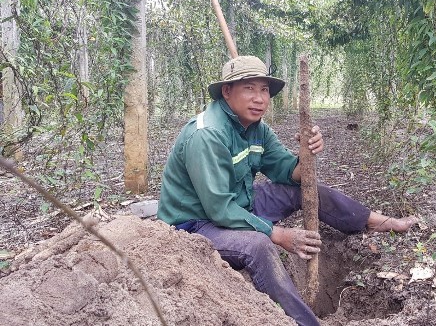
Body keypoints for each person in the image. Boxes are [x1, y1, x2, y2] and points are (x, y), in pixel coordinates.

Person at [157, 55, 418, 326]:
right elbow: (219, 209)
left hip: (239, 204)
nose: (259, 98)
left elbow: (289, 172)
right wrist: (278, 234)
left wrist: (307, 153)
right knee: (259, 246)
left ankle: (377, 222)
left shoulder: (257, 129)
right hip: (195, 224)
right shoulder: (207, 135)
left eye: (264, 90)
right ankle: (306, 322)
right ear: (226, 91)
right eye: (249, 88)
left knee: (308, 190)